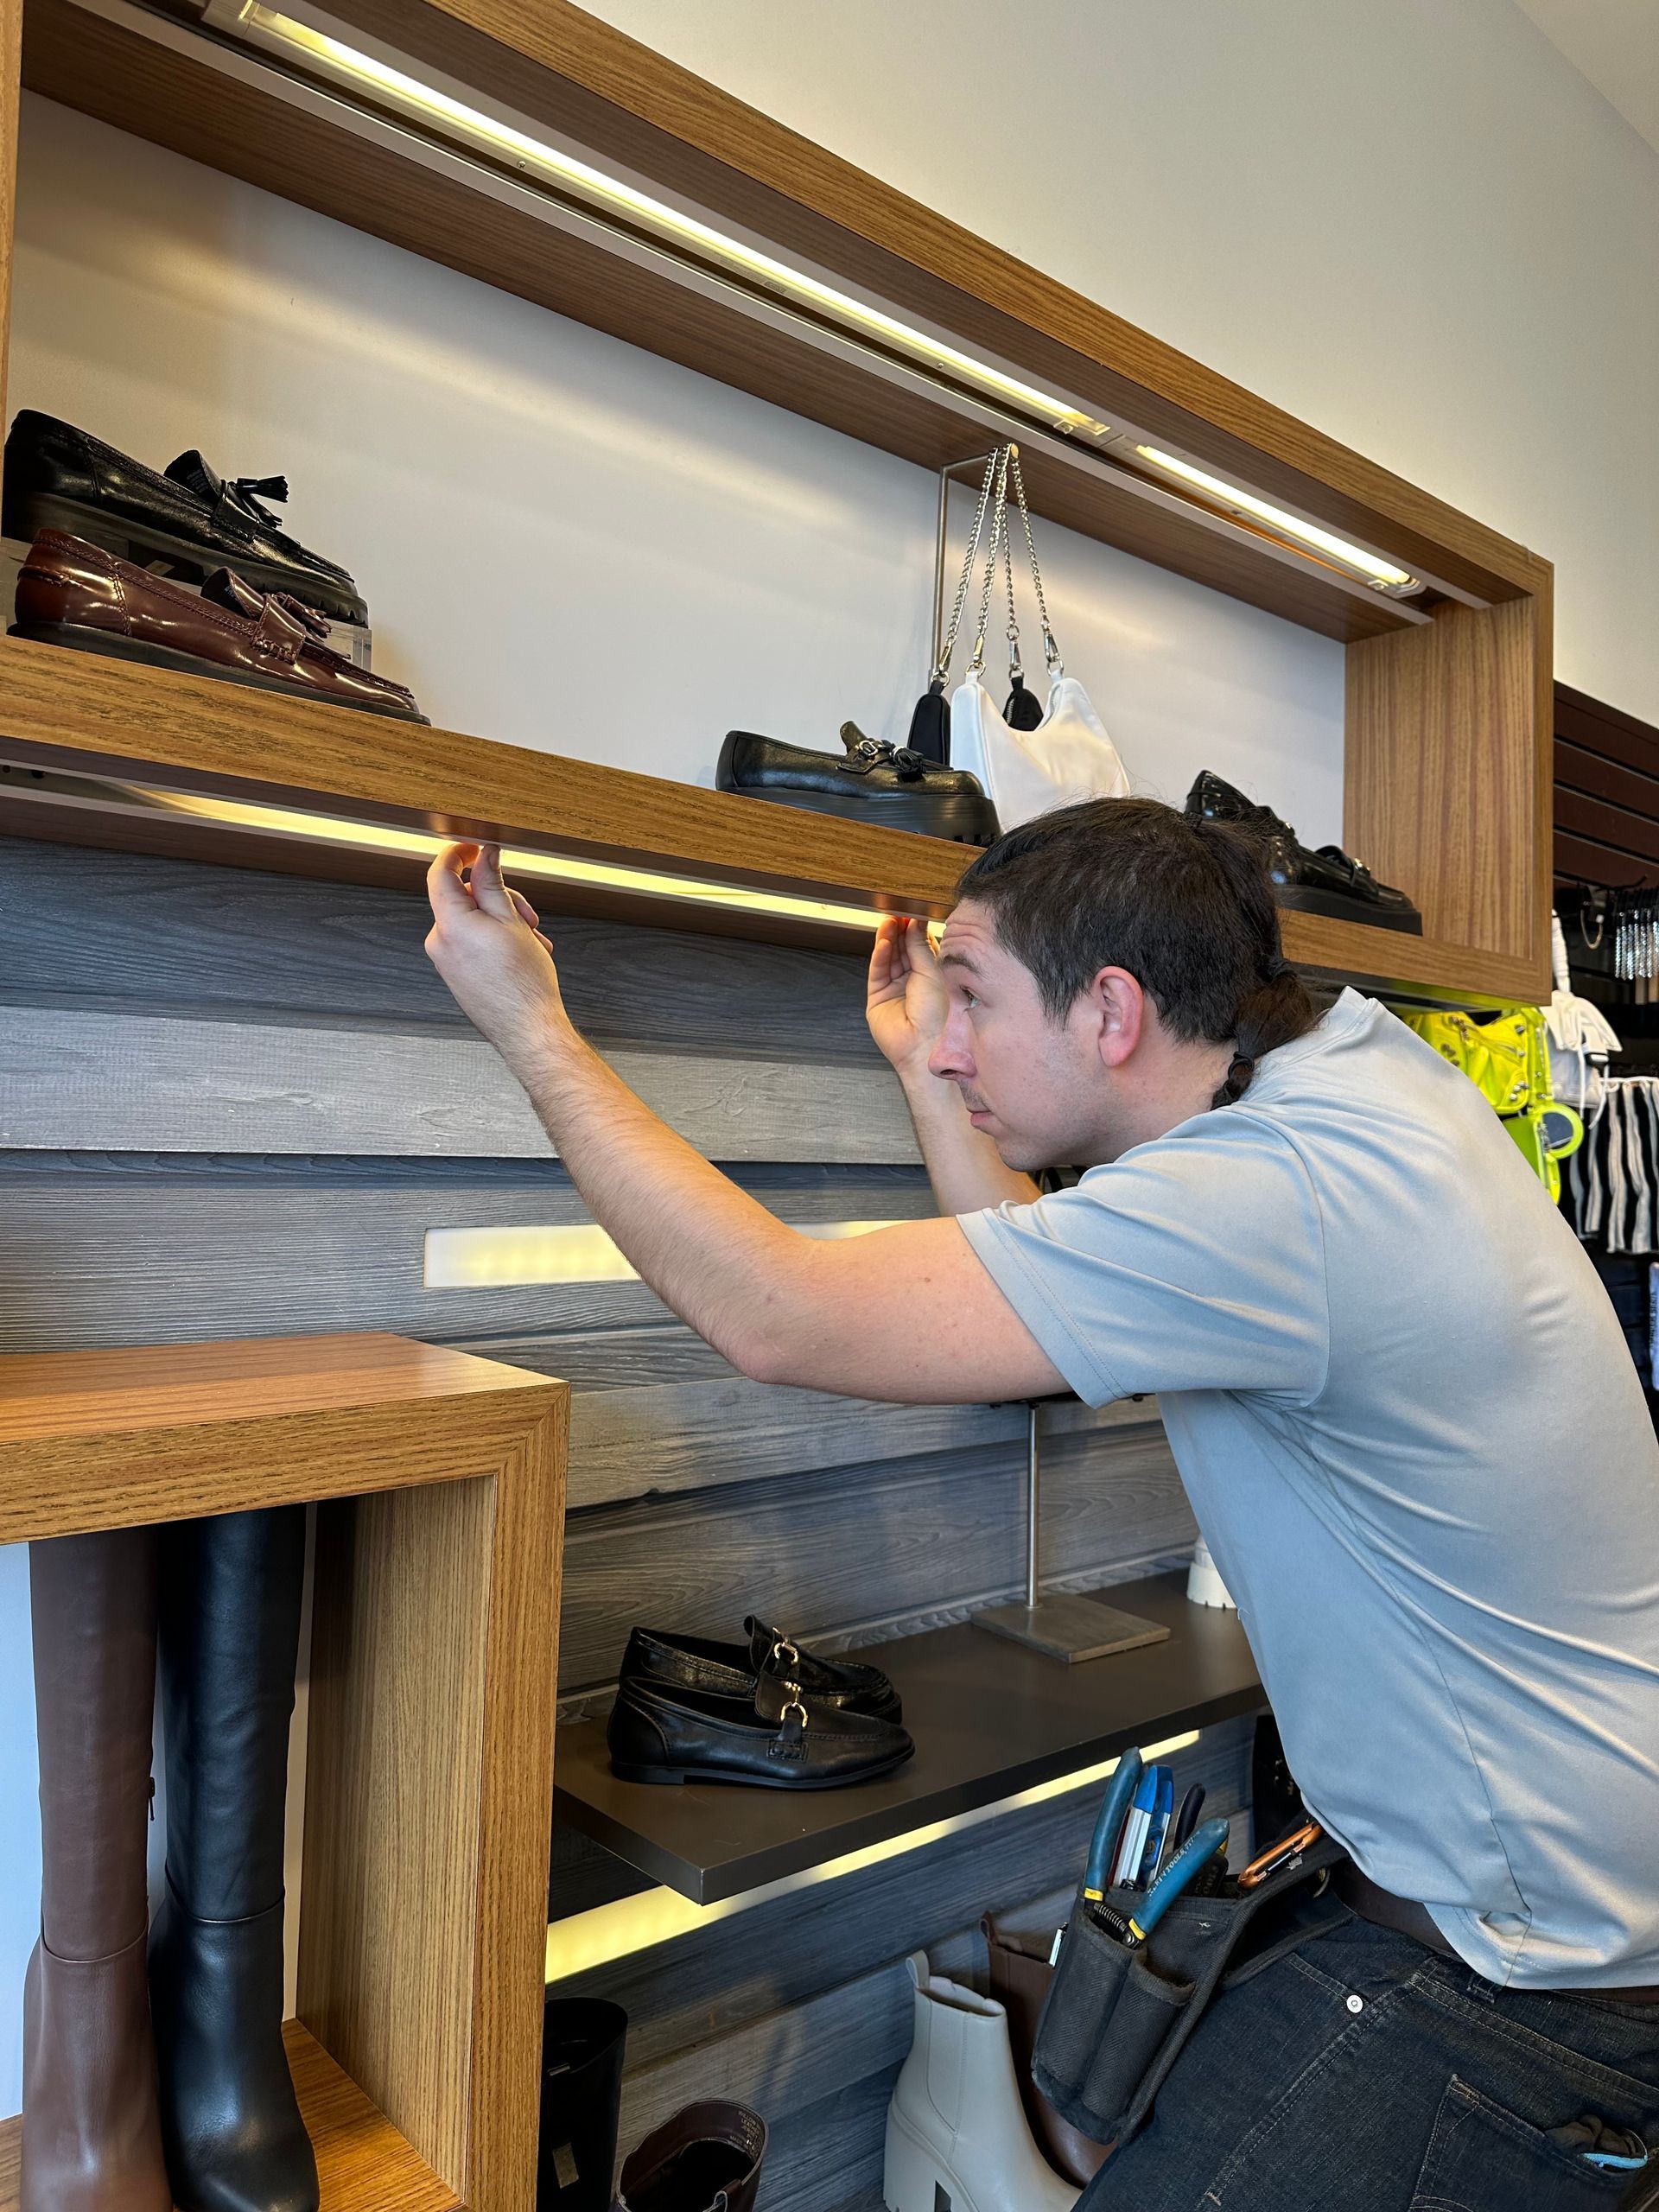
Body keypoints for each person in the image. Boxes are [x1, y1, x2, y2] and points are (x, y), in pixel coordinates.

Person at [424, 797, 1659, 2210]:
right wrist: (933, 1077)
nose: (948, 1039)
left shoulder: (1283, 1192)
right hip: (1556, 1915)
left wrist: (529, 1021)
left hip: (1518, 1976)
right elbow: (1034, 1268)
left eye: (973, 998)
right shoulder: (1356, 1090)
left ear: (1113, 1012)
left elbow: (774, 1313)